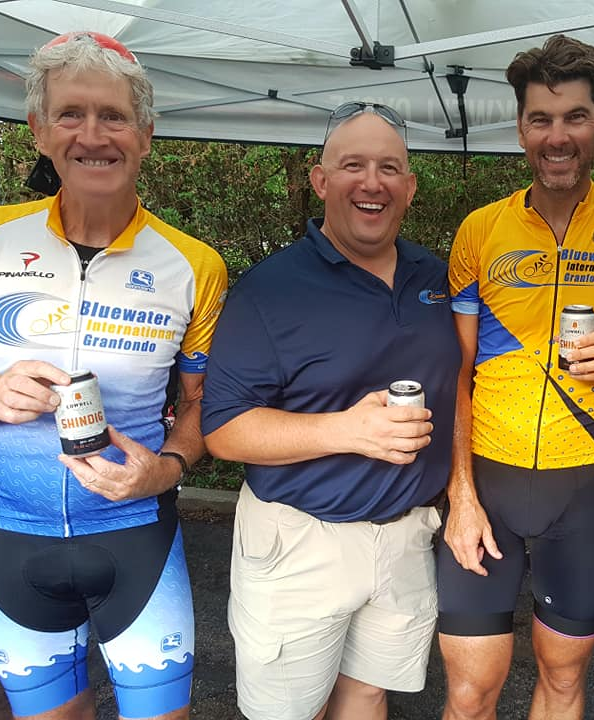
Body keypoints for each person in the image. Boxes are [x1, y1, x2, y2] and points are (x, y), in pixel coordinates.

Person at [0, 31, 228, 720]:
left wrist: (165, 470)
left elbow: (202, 407)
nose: (93, 134)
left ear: (145, 134)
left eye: (114, 116)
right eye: (71, 114)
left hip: (134, 533)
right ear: (38, 131)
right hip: (10, 532)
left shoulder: (193, 265)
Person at [201, 102, 460, 720]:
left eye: (389, 168)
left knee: (368, 695)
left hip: (404, 536)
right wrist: (350, 430)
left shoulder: (437, 277)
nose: (372, 182)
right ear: (321, 182)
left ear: (409, 187)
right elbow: (224, 430)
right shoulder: (270, 289)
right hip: (300, 542)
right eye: (353, 166)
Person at [438, 35, 594, 720]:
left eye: (573, 117)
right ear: (520, 129)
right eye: (541, 119)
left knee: (564, 682)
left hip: (584, 487)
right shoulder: (481, 230)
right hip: (488, 483)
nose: (557, 136)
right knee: (471, 689)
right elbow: (456, 371)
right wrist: (461, 495)